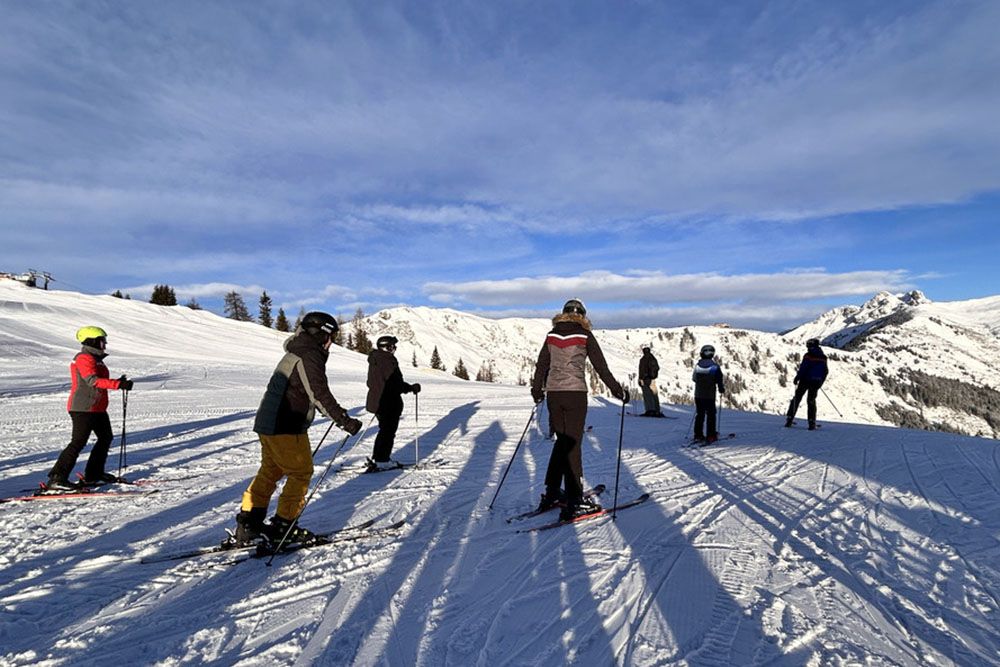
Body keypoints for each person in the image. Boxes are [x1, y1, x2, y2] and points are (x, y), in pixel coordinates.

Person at [227, 312, 362, 548]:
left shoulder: (297, 350)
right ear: (321, 334)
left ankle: (249, 524)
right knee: (301, 472)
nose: (331, 343)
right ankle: (284, 527)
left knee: (270, 471)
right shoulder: (309, 354)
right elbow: (318, 393)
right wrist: (343, 420)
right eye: (331, 337)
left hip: (269, 423)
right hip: (286, 424)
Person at [531, 298, 627, 520]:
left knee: (561, 443)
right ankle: (574, 501)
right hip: (575, 394)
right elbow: (601, 367)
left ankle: (552, 492)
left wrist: (537, 391)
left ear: (563, 313)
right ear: (582, 315)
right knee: (573, 445)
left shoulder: (552, 335)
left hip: (554, 394)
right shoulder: (584, 335)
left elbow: (542, 365)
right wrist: (617, 390)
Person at [47, 326, 133, 490]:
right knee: (78, 442)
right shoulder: (84, 358)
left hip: (97, 408)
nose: (105, 344)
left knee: (105, 437)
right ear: (92, 341)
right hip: (83, 408)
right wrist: (117, 384)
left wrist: (118, 382)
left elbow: (99, 380)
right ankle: (57, 478)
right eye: (102, 341)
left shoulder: (96, 359)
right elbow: (92, 380)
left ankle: (94, 474)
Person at [365, 335, 421, 472]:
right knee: (388, 432)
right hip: (388, 403)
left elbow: (371, 382)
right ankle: (382, 460)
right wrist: (411, 388)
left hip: (377, 402)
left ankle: (378, 458)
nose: (394, 349)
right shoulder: (387, 360)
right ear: (387, 347)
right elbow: (396, 384)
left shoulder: (376, 359)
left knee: (384, 430)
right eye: (393, 346)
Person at [785, 338, 829, 430]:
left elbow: (803, 368)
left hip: (805, 380)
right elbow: (825, 371)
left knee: (797, 398)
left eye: (808, 345)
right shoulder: (823, 357)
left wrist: (797, 377)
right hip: (816, 382)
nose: (807, 347)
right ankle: (811, 422)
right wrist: (820, 382)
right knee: (811, 401)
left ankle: (789, 419)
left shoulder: (808, 355)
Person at [692, 344, 725, 444]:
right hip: (709, 395)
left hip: (698, 395)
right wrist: (721, 389)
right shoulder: (715, 367)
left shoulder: (697, 366)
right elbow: (719, 380)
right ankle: (711, 435)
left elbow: (694, 379)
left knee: (700, 415)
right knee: (711, 415)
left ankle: (698, 435)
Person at [638, 345, 662, 417]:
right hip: (652, 379)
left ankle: (650, 410)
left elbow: (641, 371)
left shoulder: (643, 359)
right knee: (654, 394)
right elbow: (657, 368)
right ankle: (656, 410)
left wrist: (640, 378)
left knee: (647, 395)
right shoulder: (653, 358)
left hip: (646, 379)